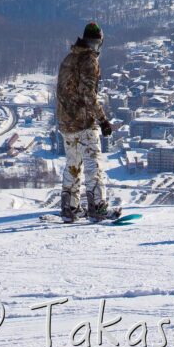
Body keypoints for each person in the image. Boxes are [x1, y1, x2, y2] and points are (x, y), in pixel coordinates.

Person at [55, 21, 114, 221]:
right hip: (84, 122)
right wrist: (103, 120)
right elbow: (89, 94)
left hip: (66, 122)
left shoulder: (69, 58)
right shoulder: (89, 61)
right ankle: (97, 206)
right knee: (93, 163)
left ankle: (69, 207)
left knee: (73, 163)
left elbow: (62, 90)